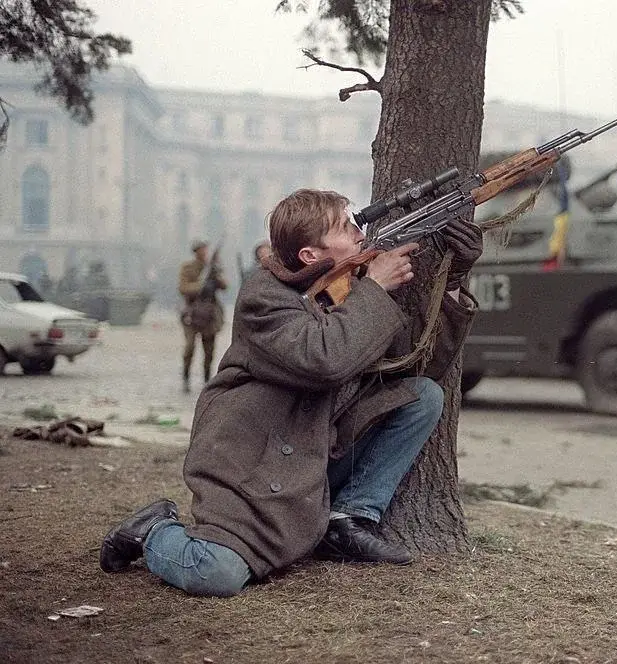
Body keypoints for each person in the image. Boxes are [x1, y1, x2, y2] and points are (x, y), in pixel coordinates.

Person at [99, 188, 482, 597]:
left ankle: (347, 517)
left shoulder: (349, 287)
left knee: (422, 395)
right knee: (217, 573)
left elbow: (418, 365)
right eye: (346, 227)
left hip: (311, 451)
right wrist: (374, 288)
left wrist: (454, 278)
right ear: (310, 255)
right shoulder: (265, 297)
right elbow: (325, 359)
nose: (361, 234)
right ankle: (153, 529)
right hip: (252, 462)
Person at [178, 240, 228, 393]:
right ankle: (186, 377)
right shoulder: (187, 267)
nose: (204, 252)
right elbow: (183, 288)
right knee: (190, 347)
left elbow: (224, 286)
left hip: (209, 314)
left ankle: (207, 379)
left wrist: (216, 273)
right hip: (192, 312)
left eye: (205, 249)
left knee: (209, 350)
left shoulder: (212, 267)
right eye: (201, 249)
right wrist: (201, 284)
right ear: (196, 252)